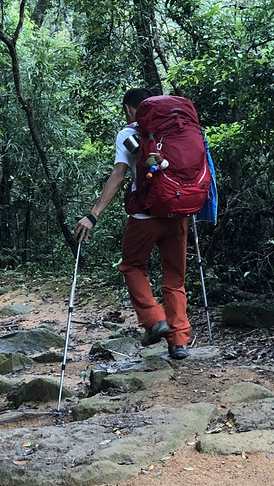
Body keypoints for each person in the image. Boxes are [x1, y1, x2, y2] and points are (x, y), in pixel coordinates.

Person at [73, 87, 190, 359]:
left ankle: (154, 319)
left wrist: (93, 215)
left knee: (132, 265)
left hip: (144, 217)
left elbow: (118, 176)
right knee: (175, 279)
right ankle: (179, 341)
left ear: (128, 108)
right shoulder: (178, 129)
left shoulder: (129, 134)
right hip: (178, 213)